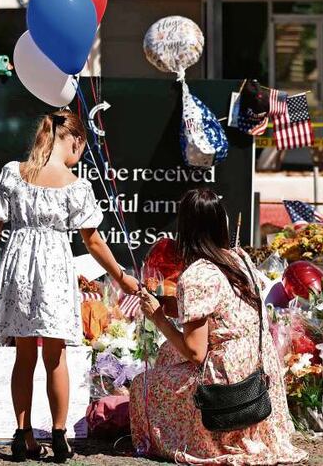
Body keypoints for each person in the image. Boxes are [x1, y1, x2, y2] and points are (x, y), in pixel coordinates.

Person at [0, 110, 140, 463]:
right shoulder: (76, 186)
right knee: (56, 357)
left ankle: (23, 435)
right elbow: (93, 241)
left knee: (24, 355)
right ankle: (59, 435)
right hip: (54, 267)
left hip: (19, 265)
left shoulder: (13, 173)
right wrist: (120, 276)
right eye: (81, 149)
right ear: (75, 141)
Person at [131, 188, 306, 465]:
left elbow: (196, 353)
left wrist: (158, 318)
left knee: (142, 384)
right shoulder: (239, 259)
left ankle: (193, 439)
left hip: (230, 380)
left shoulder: (197, 275)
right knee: (166, 353)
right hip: (259, 368)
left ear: (184, 228)